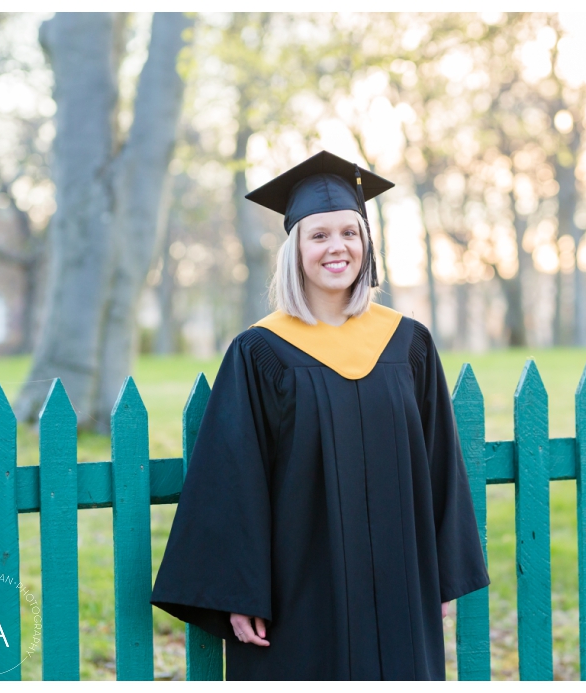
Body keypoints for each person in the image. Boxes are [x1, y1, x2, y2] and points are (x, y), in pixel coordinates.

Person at [150, 150, 490, 680]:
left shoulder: (407, 344)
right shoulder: (261, 352)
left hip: (400, 582)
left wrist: (442, 576)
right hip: (300, 588)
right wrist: (242, 591)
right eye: (320, 235)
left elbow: (439, 464)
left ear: (367, 245)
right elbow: (232, 477)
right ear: (295, 250)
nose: (338, 248)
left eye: (350, 234)